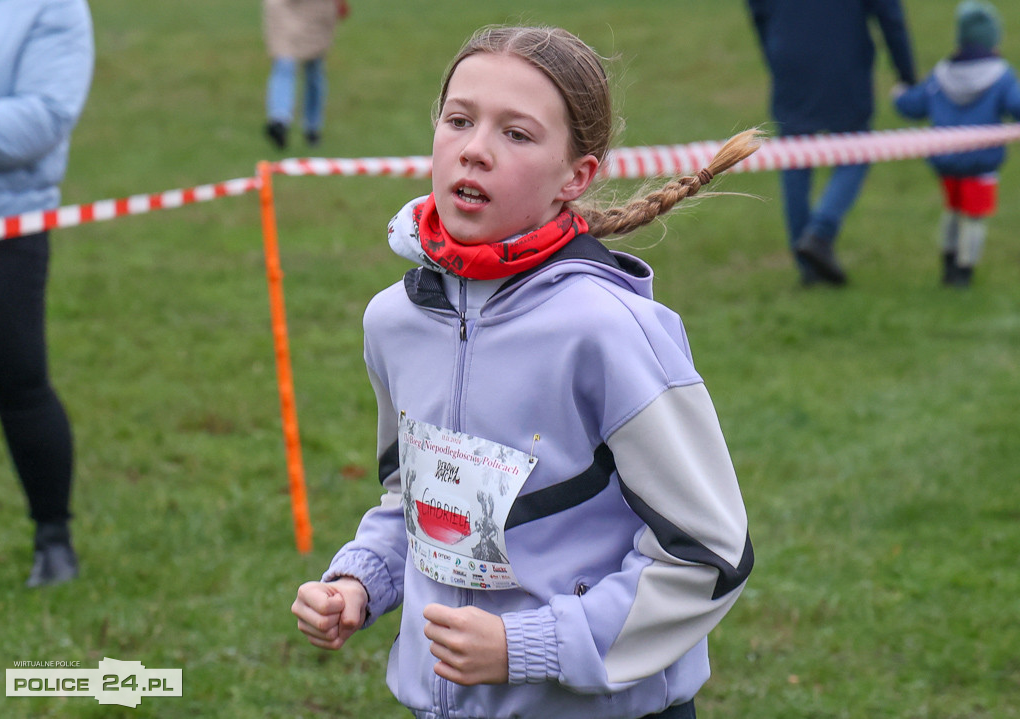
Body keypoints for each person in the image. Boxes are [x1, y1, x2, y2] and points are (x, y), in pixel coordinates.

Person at [292, 25, 757, 719]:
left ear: (577, 175)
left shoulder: (609, 330)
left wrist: (530, 646)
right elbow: (414, 501)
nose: (474, 148)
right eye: (458, 120)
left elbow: (709, 552)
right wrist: (362, 577)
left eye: (516, 134)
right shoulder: (394, 320)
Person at [0, 0, 94, 587]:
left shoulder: (52, 7)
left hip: (7, 226)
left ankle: (52, 539)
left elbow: (46, 116)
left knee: (19, 379)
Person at [747, 0, 916, 286]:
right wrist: (907, 74)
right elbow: (890, 16)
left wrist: (775, 54)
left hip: (790, 58)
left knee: (795, 157)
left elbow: (758, 12)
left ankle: (808, 265)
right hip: (845, 62)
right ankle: (819, 235)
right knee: (857, 150)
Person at [893, 0, 1020, 287]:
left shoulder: (941, 73)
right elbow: (1016, 104)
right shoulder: (1001, 76)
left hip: (946, 160)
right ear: (992, 39)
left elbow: (913, 105)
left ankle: (948, 262)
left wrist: (899, 94)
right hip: (981, 163)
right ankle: (965, 271)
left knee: (952, 209)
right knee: (974, 217)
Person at [262, 0, 349, 150]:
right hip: (285, 6)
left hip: (316, 8)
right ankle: (280, 120)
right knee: (284, 62)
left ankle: (312, 127)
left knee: (314, 68)